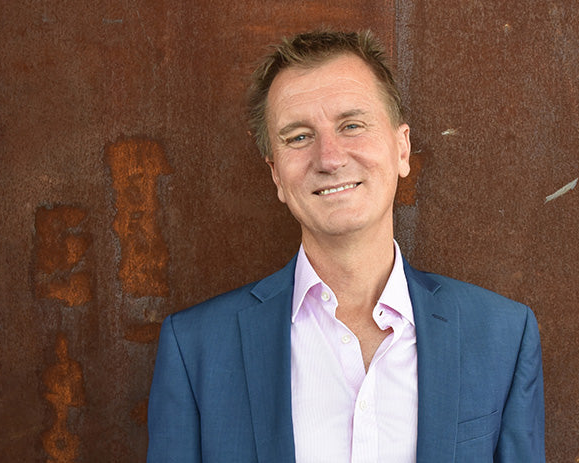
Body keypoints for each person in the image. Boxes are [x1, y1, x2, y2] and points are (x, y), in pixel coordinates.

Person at [147, 29, 544, 462]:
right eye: (298, 137)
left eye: (352, 125)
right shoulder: (197, 348)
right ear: (276, 174)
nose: (330, 158)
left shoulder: (502, 336)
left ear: (402, 148)